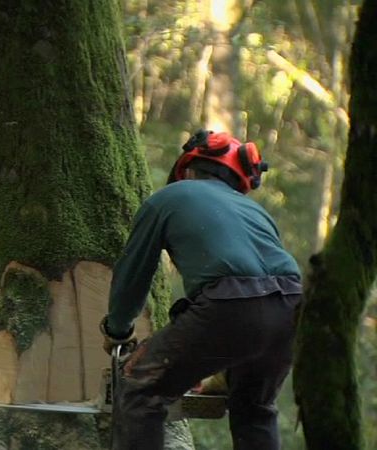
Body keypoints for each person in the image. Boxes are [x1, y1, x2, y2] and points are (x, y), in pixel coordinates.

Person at [100, 130, 303, 450]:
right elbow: (264, 297)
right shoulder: (257, 212)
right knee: (255, 409)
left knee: (141, 388)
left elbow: (134, 274)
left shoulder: (168, 198)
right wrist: (230, 370)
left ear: (188, 170)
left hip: (230, 307)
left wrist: (118, 329)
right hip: (292, 311)